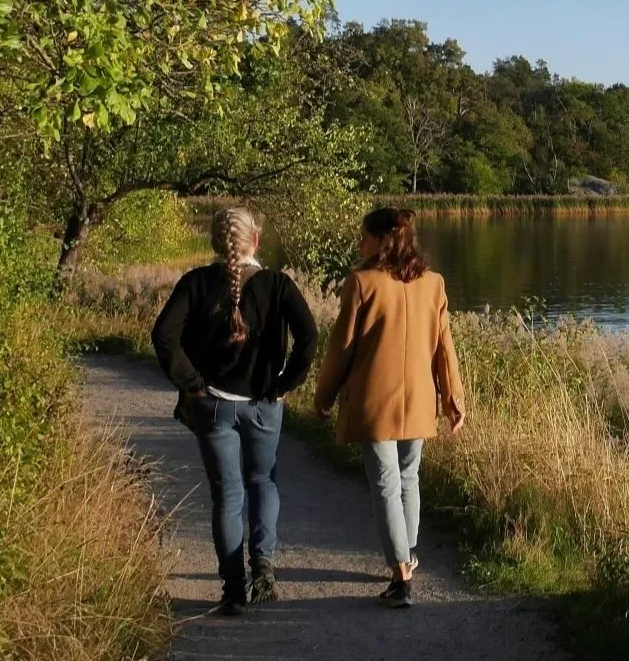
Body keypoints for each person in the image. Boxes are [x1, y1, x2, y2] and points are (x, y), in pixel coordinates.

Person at [151, 207, 318, 615]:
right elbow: (310, 337)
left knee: (226, 497)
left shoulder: (195, 283)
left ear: (214, 242)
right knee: (263, 480)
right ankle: (263, 564)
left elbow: (163, 336)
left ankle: (232, 590)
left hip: (212, 406)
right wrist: (283, 384)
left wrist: (192, 384)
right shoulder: (277, 285)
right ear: (255, 240)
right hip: (263, 405)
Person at [314, 206, 465, 608]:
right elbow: (443, 349)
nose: (358, 243)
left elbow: (341, 348)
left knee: (386, 481)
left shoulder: (361, 283)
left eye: (363, 236)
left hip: (373, 401)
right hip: (418, 400)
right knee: (407, 476)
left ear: (381, 240)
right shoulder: (433, 283)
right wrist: (452, 400)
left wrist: (324, 395)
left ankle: (400, 574)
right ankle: (407, 557)